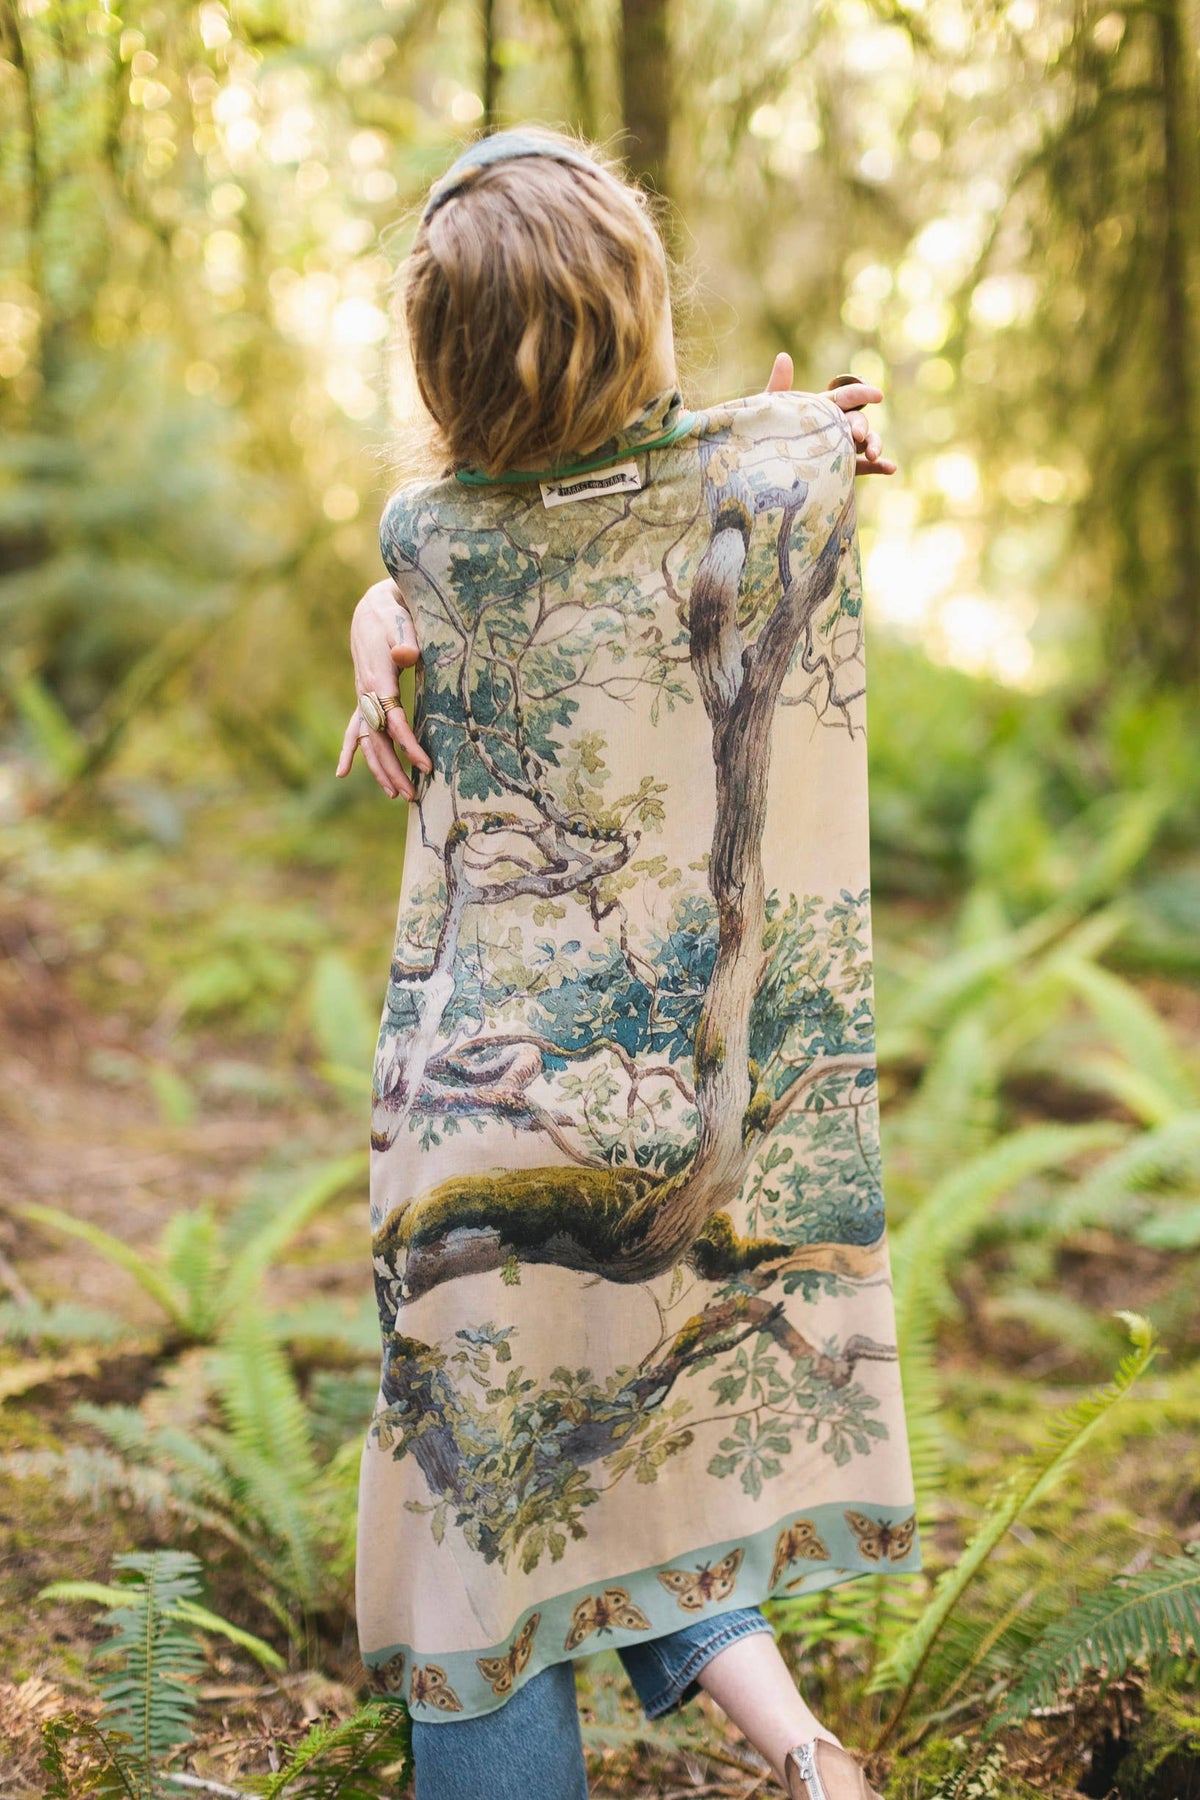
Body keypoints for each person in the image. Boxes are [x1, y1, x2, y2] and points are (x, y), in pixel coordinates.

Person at [337, 126, 919, 1800]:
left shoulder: (424, 538)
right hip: (668, 1097)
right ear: (639, 315)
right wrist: (793, 439)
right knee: (616, 1448)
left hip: (474, 1119)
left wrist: (374, 618)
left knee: (477, 1525)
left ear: (441, 364)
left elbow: (469, 541)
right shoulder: (771, 473)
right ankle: (806, 1754)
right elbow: (673, 484)